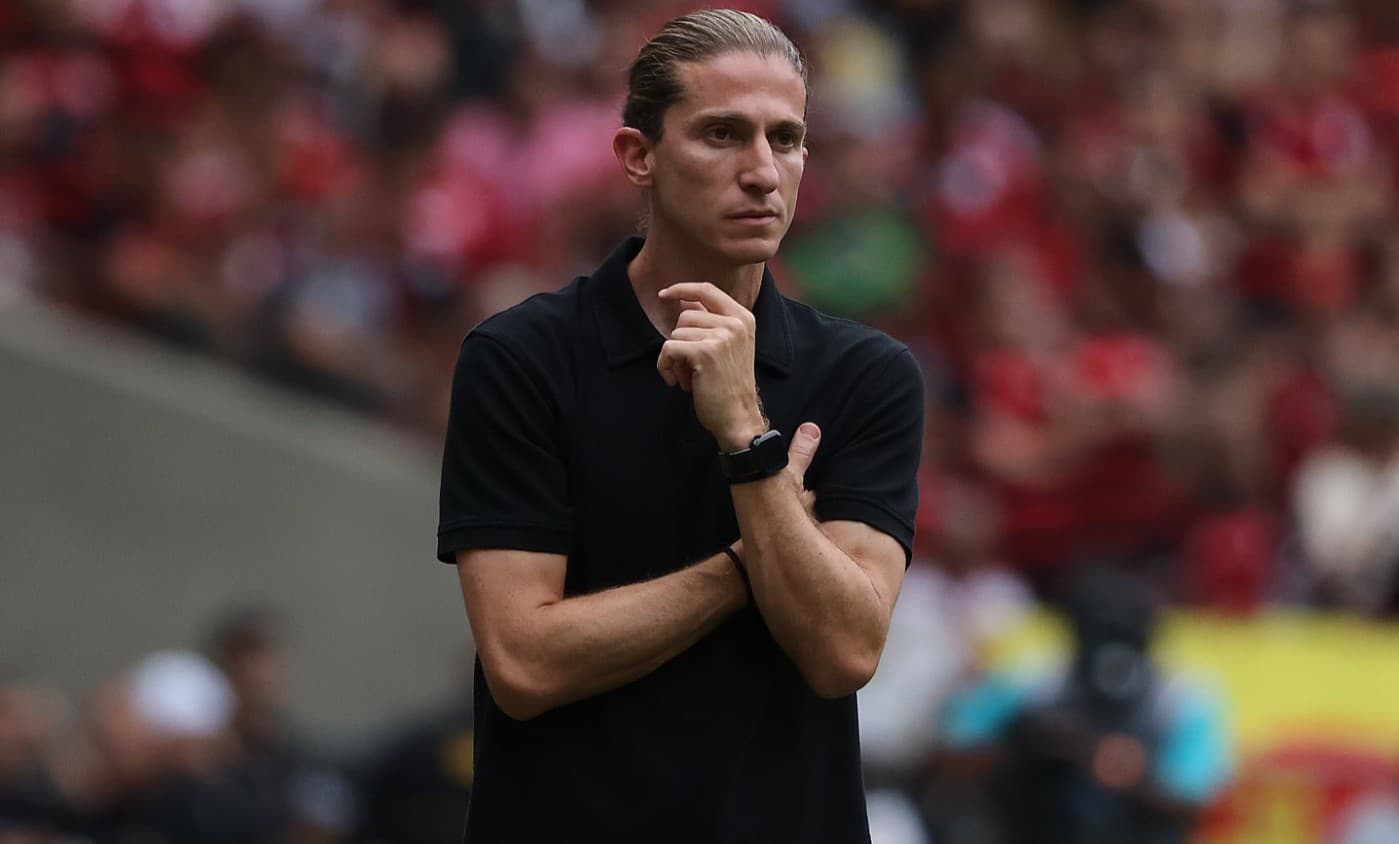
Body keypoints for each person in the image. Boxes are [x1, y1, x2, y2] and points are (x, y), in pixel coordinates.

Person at [436, 9, 925, 842]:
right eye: (722, 134)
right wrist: (742, 567)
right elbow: (522, 661)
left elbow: (843, 651)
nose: (763, 172)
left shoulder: (866, 376)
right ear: (639, 157)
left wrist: (745, 435)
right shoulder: (520, 358)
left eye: (787, 138)